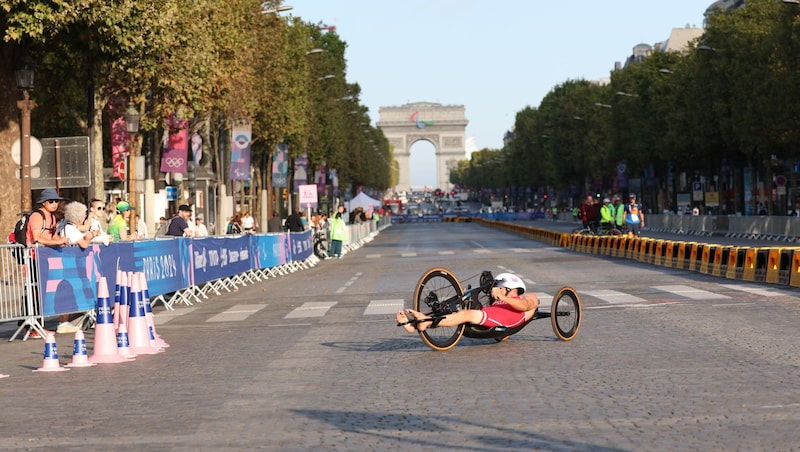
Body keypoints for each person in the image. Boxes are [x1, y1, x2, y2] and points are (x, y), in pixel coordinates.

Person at [396, 273, 539, 334]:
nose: (496, 289)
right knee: (458, 307)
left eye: (499, 286)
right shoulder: (499, 300)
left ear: (510, 287)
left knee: (466, 314)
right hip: (492, 314)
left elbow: (526, 307)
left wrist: (503, 297)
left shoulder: (527, 297)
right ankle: (414, 323)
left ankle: (424, 323)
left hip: (506, 318)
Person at [23, 189, 71, 338]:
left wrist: (60, 242)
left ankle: (36, 326)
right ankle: (31, 326)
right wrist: (56, 242)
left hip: (44, 258)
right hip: (33, 258)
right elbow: (37, 238)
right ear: (43, 203)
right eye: (51, 201)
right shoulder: (37, 216)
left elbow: (53, 236)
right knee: (35, 292)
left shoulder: (52, 218)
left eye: (56, 201)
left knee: (42, 292)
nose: (55, 204)